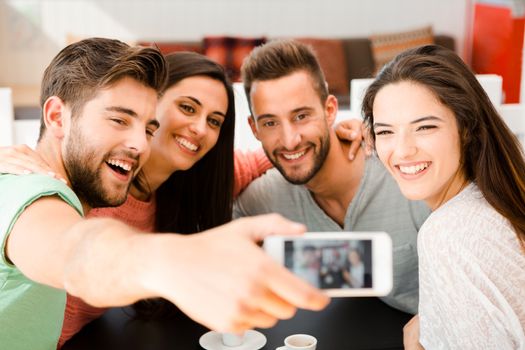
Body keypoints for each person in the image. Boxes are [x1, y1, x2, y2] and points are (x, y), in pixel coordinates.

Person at [0, 50, 363, 346]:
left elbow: (270, 153)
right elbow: (75, 252)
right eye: (119, 120)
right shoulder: (29, 188)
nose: (139, 142)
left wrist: (353, 131)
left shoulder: (170, 185)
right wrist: (172, 262)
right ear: (56, 117)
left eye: (215, 121)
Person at [234, 39, 430, 314]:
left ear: (330, 111)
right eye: (270, 123)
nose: (289, 140)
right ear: (254, 129)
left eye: (301, 116)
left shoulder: (404, 175)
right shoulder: (261, 199)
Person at [362, 44, 525, 349]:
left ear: (466, 128)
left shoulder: (448, 234)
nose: (403, 150)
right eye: (385, 132)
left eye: (424, 127)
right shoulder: (495, 202)